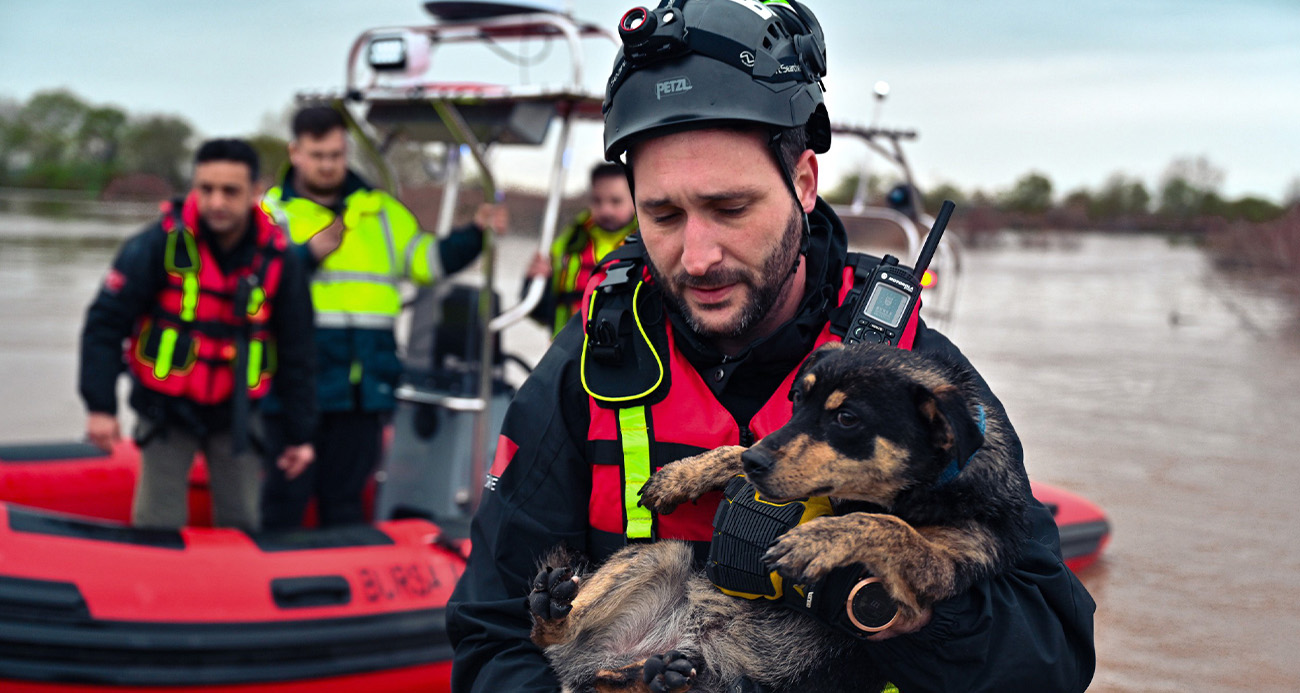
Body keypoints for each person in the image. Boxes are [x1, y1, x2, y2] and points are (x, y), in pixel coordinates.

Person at [447, 1, 1096, 691]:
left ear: (804, 183)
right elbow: (492, 635)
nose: (697, 256)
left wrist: (903, 604)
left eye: (731, 208)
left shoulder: (917, 387)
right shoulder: (587, 366)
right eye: (663, 214)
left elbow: (1049, 658)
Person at [259, 105, 507, 529]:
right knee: (285, 501)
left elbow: (427, 262)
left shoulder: (381, 213)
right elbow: (252, 284)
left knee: (346, 500)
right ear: (295, 152)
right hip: (296, 386)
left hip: (363, 387)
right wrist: (306, 256)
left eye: (336, 155)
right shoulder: (271, 214)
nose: (328, 165)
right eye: (318, 155)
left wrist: (475, 233)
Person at [80, 139, 316, 532]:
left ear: (256, 193)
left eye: (230, 191)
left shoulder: (279, 260)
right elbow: (105, 323)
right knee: (157, 522)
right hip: (166, 411)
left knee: (241, 521)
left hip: (237, 414)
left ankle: (235, 587)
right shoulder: (156, 245)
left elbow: (298, 350)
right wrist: (100, 406)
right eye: (206, 189)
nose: (216, 202)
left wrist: (299, 435)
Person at [525, 163, 638, 336]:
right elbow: (538, 311)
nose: (606, 210)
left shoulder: (646, 244)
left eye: (616, 201)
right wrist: (536, 280)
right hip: (566, 350)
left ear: (634, 200)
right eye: (597, 201)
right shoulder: (568, 242)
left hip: (624, 354)